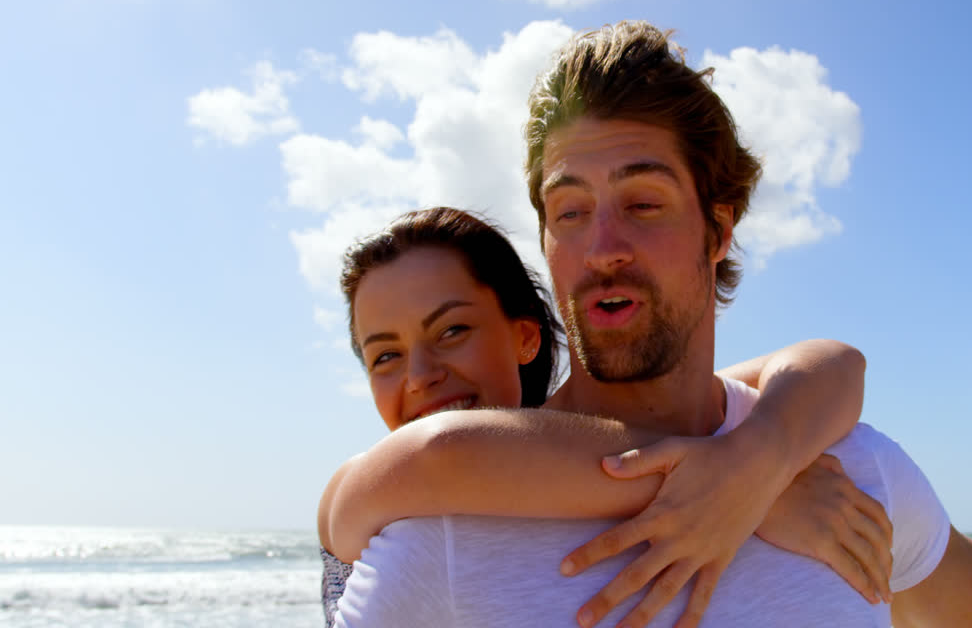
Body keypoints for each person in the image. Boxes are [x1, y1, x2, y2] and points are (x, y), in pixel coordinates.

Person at [335, 21, 972, 627]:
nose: (602, 247)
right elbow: (430, 460)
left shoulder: (852, 478)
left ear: (718, 231)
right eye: (570, 213)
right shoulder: (445, 540)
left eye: (643, 204)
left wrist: (763, 459)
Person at [318, 206, 894, 627]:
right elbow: (439, 454)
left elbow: (834, 364)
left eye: (452, 331)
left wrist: (762, 454)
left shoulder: (583, 436)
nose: (418, 375)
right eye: (385, 355)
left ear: (524, 337)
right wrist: (755, 488)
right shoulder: (363, 484)